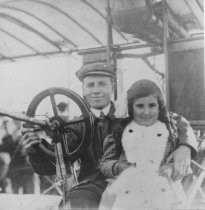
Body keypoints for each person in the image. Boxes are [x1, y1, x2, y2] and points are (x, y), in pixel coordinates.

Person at [22, 63, 197, 210]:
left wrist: (185, 147)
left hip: (131, 182)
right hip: (91, 185)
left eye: (102, 84)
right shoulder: (75, 125)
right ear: (83, 90)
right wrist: (36, 148)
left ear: (112, 87)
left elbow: (174, 119)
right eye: (90, 85)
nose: (96, 90)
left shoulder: (129, 111)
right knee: (74, 204)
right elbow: (57, 163)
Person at [99, 79, 198, 209]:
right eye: (140, 106)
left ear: (160, 106)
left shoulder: (169, 131)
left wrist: (170, 169)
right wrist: (117, 166)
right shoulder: (120, 132)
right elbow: (105, 162)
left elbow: (179, 164)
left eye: (152, 105)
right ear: (131, 108)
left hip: (164, 189)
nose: (146, 112)